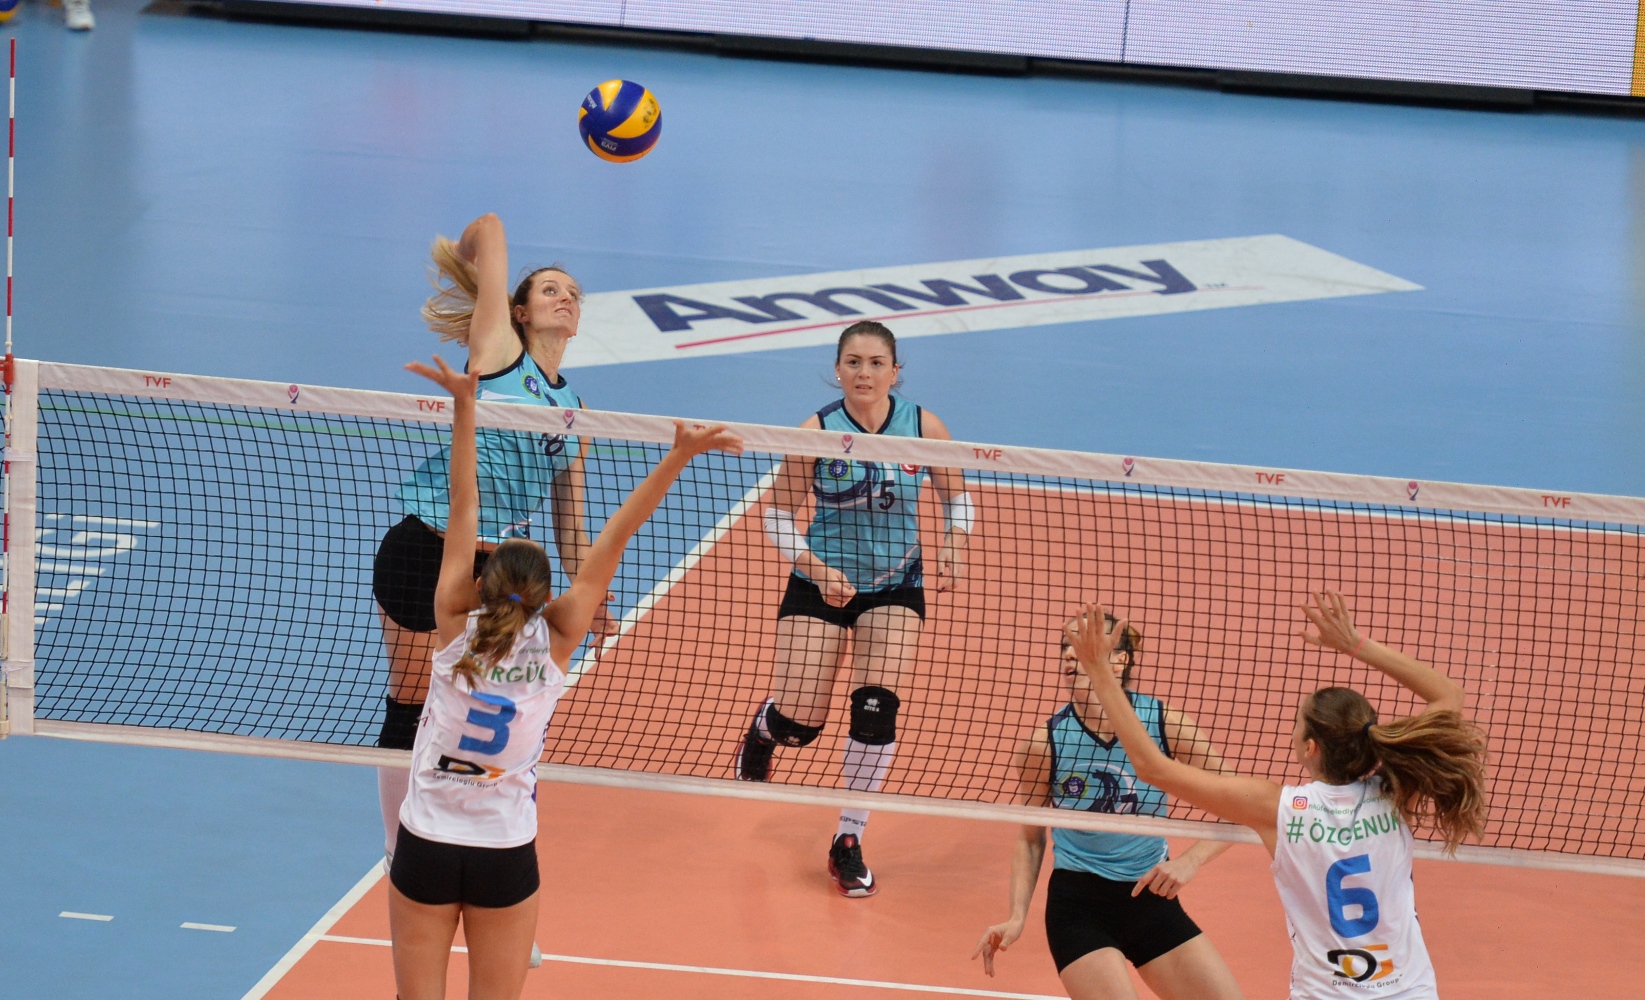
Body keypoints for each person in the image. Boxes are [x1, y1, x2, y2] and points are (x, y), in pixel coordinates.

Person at [390, 353, 740, 1000]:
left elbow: (463, 504)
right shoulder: (556, 641)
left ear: (480, 584)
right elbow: (616, 537)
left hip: (427, 843)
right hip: (504, 850)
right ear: (546, 596)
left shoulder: (453, 626)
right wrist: (678, 457)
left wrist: (466, 405)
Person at [1063, 590, 1488, 1000]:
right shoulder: (1395, 792)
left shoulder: (1279, 809)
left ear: (1310, 748)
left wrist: (1099, 670)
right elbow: (1448, 696)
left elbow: (1152, 767)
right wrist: (1357, 644)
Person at [374, 213, 610, 872]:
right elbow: (492, 226)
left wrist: (592, 594)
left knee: (479, 705)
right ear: (517, 312)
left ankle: (472, 831)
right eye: (550, 289)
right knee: (413, 701)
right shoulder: (499, 351)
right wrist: (462, 252)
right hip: (426, 549)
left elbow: (570, 526)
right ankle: (397, 850)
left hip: (498, 572)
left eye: (573, 294)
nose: (566, 298)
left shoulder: (576, 411)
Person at [734, 320, 971, 897]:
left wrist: (954, 540)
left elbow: (957, 494)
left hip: (896, 584)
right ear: (838, 370)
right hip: (819, 582)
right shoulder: (816, 431)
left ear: (895, 371)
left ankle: (848, 838)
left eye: (876, 363)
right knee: (800, 724)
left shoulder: (923, 426)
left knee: (875, 710)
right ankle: (766, 730)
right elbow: (776, 515)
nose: (864, 373)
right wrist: (817, 570)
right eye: (853, 362)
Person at [973, 614, 1244, 1000]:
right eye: (1065, 647)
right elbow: (1030, 838)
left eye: (1082, 645)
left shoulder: (1165, 724)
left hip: (1152, 900)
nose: (1069, 655)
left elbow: (1243, 805)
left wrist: (1191, 860)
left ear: (1120, 660)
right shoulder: (1045, 743)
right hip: (1079, 909)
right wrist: (1017, 915)